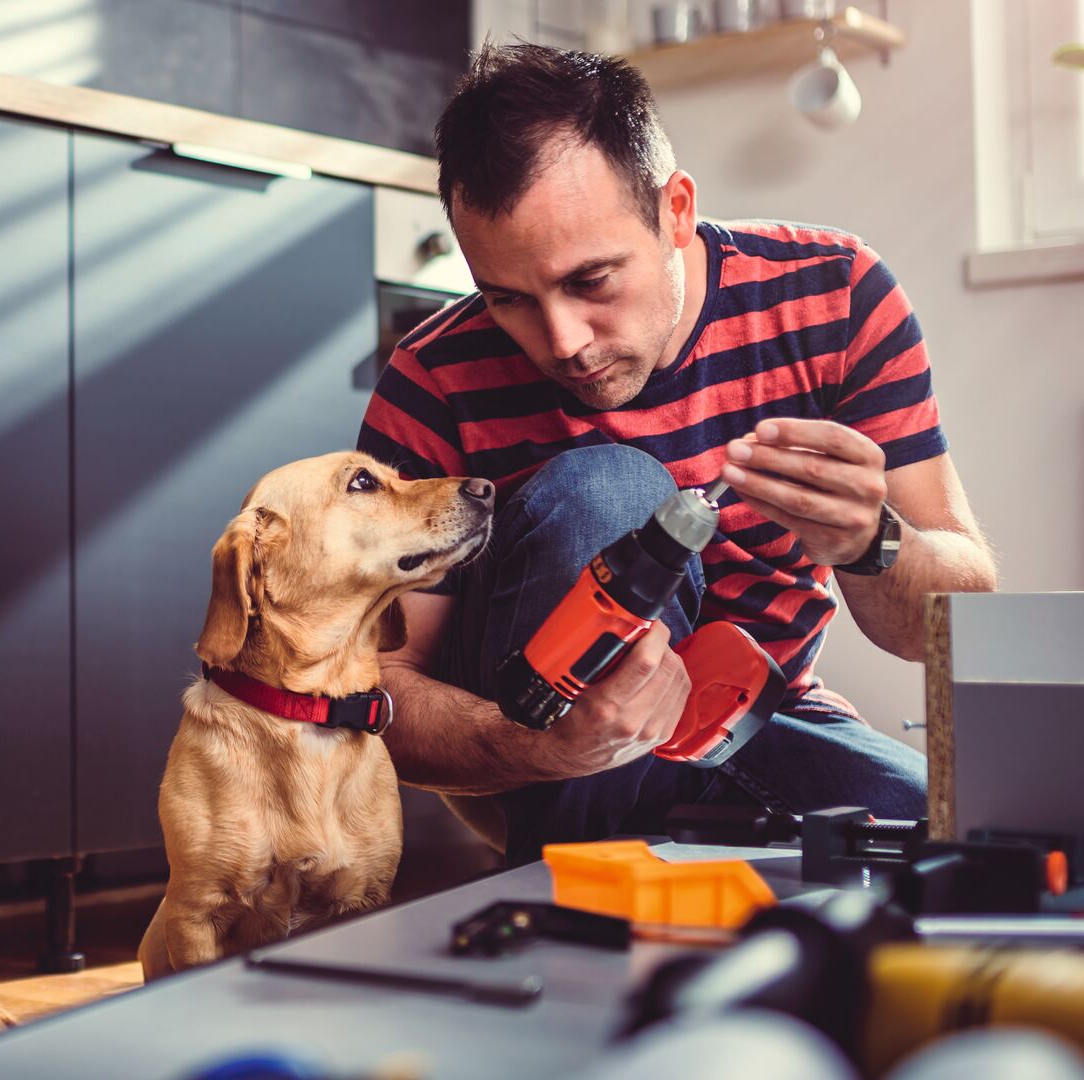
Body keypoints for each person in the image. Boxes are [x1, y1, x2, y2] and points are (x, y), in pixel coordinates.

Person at [357, 43, 998, 865]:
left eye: (592, 280)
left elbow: (953, 629)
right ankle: (570, 892)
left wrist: (869, 541)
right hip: (534, 735)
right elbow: (374, 691)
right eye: (508, 299)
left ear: (677, 210)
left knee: (960, 849)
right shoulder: (434, 377)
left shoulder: (835, 298)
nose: (562, 342)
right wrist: (538, 749)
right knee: (609, 491)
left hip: (756, 720)